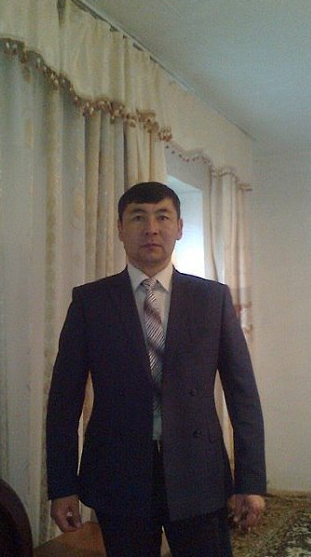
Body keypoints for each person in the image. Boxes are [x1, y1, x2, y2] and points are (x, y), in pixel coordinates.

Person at [46, 181, 266, 557]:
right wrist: (62, 485)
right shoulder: (90, 302)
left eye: (162, 217)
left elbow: (242, 394)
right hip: (119, 472)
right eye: (138, 217)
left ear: (178, 227)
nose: (151, 228)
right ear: (120, 228)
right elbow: (64, 400)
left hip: (198, 470)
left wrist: (251, 481)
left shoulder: (212, 299)